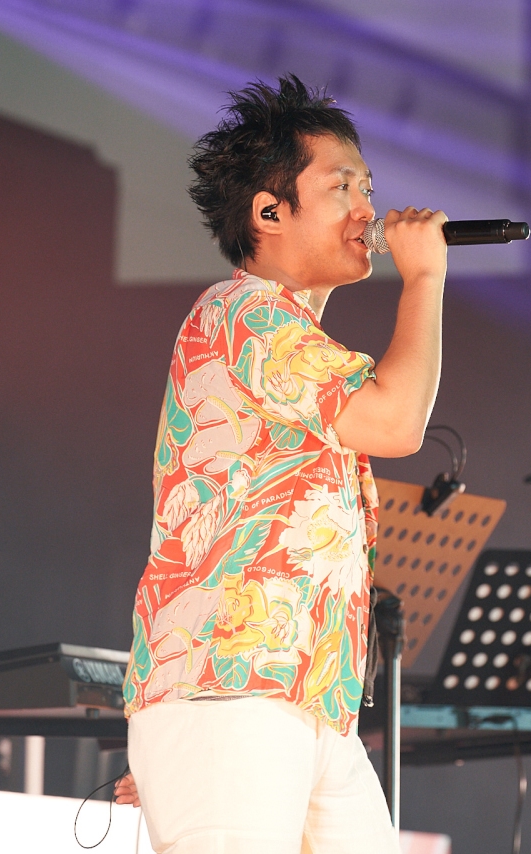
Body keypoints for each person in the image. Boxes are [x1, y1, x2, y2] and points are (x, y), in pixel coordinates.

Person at [115, 75, 448, 854]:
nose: (367, 209)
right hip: (232, 693)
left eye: (369, 189)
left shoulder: (294, 346)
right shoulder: (242, 314)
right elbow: (397, 422)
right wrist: (426, 277)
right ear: (269, 213)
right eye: (342, 187)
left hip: (305, 702)